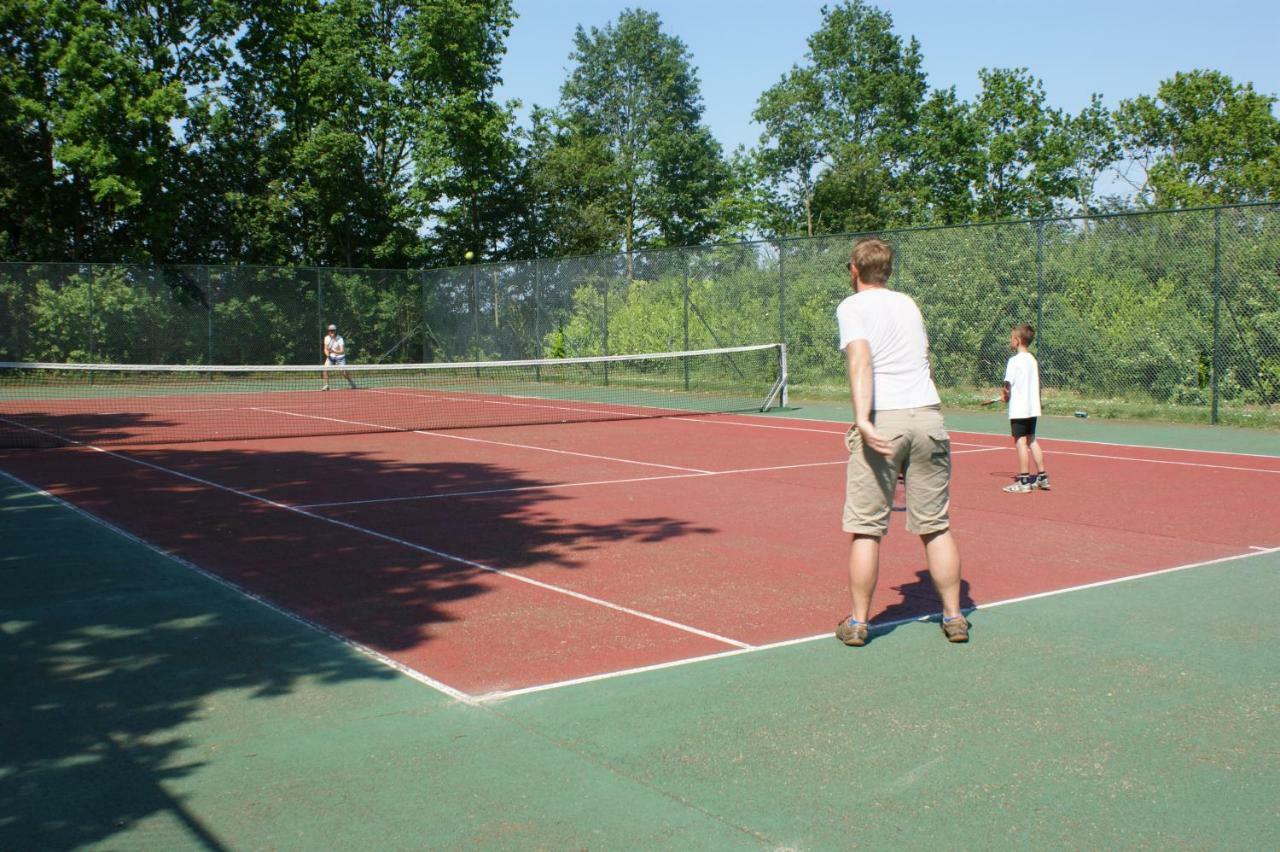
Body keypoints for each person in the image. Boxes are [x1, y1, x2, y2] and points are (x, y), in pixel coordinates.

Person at [834, 237, 968, 646]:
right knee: (936, 526)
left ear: (854, 270)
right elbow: (922, 359)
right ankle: (955, 617)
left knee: (866, 529)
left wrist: (861, 419)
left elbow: (860, 360)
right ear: (887, 271)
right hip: (928, 416)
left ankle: (858, 624)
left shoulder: (851, 306)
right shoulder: (909, 303)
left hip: (885, 421)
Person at [1001, 323, 1049, 493]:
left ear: (1017, 340)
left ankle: (1024, 481)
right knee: (1032, 439)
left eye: (1011, 337)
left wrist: (1005, 395)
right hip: (1032, 408)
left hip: (1019, 409)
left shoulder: (1013, 361)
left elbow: (1008, 385)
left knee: (1020, 441)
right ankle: (1042, 477)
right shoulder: (1032, 360)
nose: (1010, 340)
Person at [322, 323, 357, 390]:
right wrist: (328, 355)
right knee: (325, 369)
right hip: (331, 357)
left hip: (340, 357)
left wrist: (333, 351)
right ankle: (326, 385)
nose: (332, 332)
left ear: (335, 331)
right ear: (328, 331)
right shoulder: (326, 338)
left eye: (333, 330)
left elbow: (342, 351)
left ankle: (351, 382)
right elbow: (325, 349)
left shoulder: (340, 338)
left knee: (343, 372)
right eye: (330, 330)